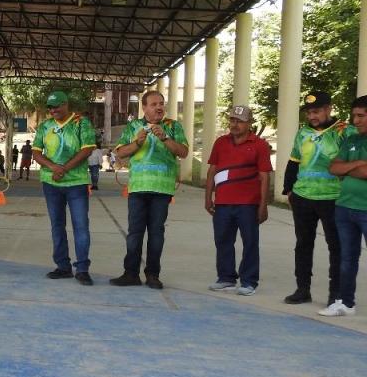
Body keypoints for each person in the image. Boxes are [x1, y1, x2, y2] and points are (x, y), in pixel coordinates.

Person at [110, 90, 189, 289]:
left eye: (161, 103)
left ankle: (153, 275)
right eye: (154, 104)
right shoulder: (133, 126)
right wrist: (137, 142)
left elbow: (183, 152)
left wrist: (165, 138)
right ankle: (131, 274)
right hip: (138, 188)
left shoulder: (173, 126)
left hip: (162, 189)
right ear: (144, 107)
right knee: (135, 233)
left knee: (156, 233)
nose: (159, 107)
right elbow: (120, 152)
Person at [281, 91, 350, 306]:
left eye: (317, 111)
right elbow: (294, 162)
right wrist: (289, 190)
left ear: (329, 109)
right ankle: (303, 289)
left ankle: (335, 293)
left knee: (336, 246)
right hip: (303, 197)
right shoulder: (303, 133)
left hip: (333, 198)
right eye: (309, 112)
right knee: (303, 244)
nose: (312, 116)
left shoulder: (343, 131)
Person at [204, 106, 272, 295]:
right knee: (222, 240)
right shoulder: (221, 142)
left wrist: (263, 205)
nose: (234, 124)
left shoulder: (259, 145)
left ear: (249, 123)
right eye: (232, 120)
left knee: (250, 242)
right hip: (223, 202)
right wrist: (208, 197)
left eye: (240, 121)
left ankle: (249, 281)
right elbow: (212, 170)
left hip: (248, 204)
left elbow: (264, 176)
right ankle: (226, 278)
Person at [32, 91, 96, 285]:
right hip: (51, 183)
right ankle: (63, 266)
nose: (53, 110)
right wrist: (53, 167)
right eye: (50, 107)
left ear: (66, 104)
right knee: (57, 225)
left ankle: (82, 269)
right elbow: (36, 152)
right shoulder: (45, 126)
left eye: (57, 106)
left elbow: (87, 149)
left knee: (81, 226)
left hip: (76, 183)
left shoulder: (81, 123)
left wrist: (64, 168)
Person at [322, 95, 367, 317]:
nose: (355, 121)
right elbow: (334, 167)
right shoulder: (351, 139)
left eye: (361, 116)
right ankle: (345, 303)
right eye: (354, 116)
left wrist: (348, 168)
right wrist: (357, 163)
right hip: (344, 207)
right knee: (347, 258)